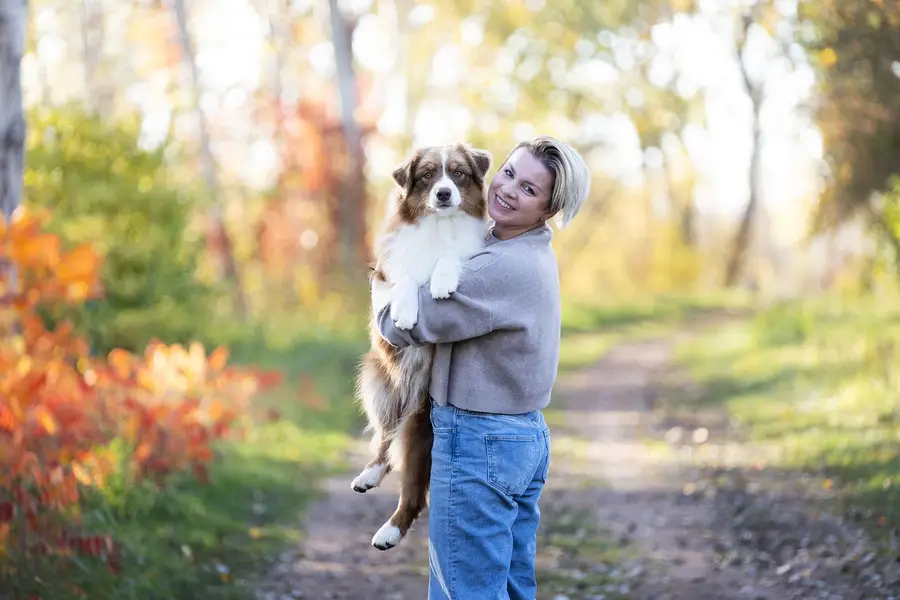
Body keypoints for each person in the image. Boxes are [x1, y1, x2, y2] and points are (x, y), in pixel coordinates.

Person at [373, 135, 591, 600]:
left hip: (480, 441)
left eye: (530, 190)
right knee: (508, 589)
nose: (510, 190)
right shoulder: (522, 250)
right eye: (510, 174)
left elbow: (402, 326)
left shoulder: (497, 267)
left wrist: (381, 285)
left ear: (548, 209)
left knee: (465, 591)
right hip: (517, 437)